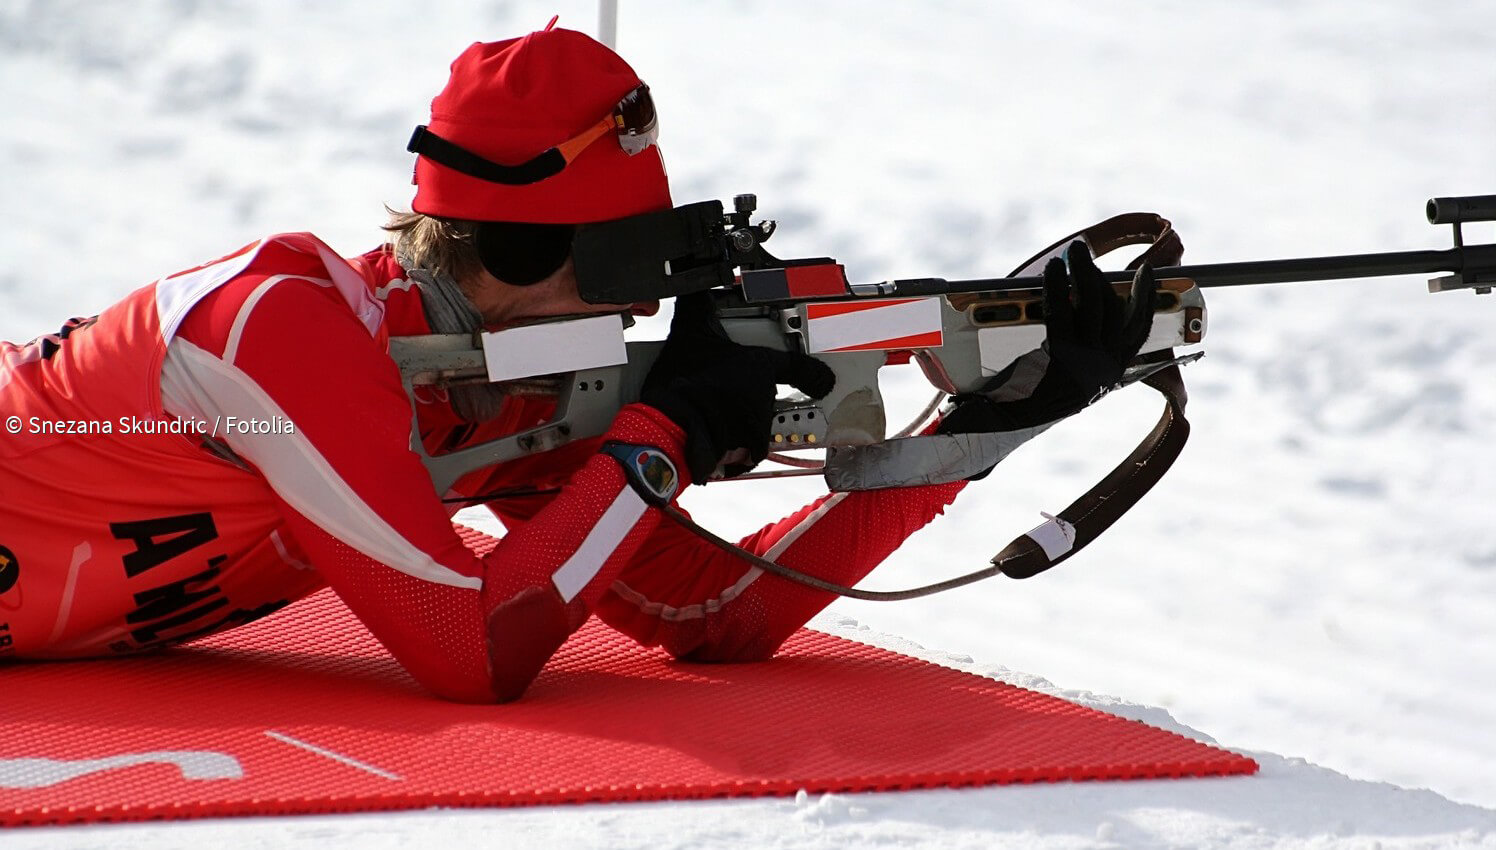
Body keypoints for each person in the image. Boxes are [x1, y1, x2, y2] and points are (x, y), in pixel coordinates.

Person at [0, 27, 1151, 702]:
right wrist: (665, 439)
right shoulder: (279, 332)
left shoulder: (505, 382)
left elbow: (711, 613)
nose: (649, 298)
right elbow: (470, 651)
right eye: (622, 262)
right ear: (515, 245)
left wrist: (982, 427)